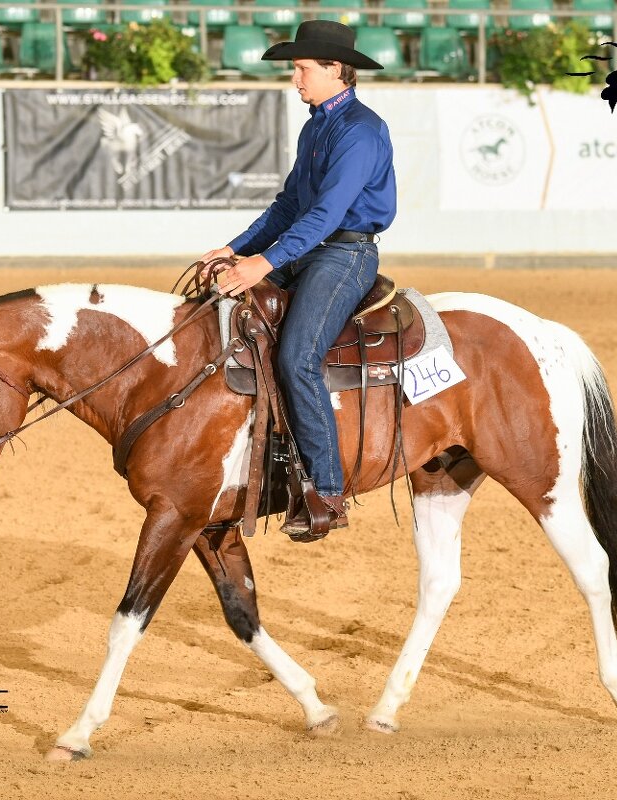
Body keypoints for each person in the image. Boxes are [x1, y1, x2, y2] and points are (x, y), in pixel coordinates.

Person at [198, 20, 397, 540]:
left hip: (345, 255)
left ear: (335, 69)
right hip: (312, 249)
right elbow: (290, 204)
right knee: (220, 305)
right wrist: (236, 249)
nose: (295, 79)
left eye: (303, 68)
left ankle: (326, 491)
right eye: (295, 69)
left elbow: (327, 214)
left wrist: (262, 264)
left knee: (297, 356)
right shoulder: (318, 124)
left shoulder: (361, 130)